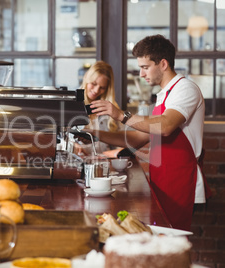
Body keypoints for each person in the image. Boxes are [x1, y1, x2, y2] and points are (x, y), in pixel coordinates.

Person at [85, 34, 211, 231]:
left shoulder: (185, 89)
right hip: (162, 179)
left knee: (173, 241)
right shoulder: (164, 95)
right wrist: (94, 133)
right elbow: (136, 138)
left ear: (163, 64)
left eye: (145, 67)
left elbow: (166, 125)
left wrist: (121, 115)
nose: (141, 74)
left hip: (180, 181)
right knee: (160, 238)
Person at [73, 61, 122, 155]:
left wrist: (104, 156)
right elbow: (61, 140)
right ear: (87, 79)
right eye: (94, 84)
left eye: (102, 87)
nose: (96, 90)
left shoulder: (112, 109)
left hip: (105, 164)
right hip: (78, 163)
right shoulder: (73, 105)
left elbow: (121, 146)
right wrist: (74, 145)